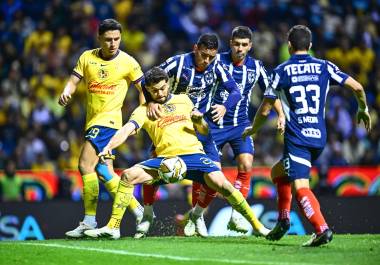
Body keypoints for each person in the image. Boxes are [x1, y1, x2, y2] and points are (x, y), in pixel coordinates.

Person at [83, 67, 270, 239]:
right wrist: (108, 146)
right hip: (165, 159)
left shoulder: (184, 99)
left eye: (163, 88)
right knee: (127, 175)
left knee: (223, 184)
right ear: (147, 90)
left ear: (168, 84)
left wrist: (199, 122)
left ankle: (258, 226)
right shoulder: (143, 111)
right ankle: (113, 227)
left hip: (194, 155)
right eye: (154, 90)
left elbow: (204, 131)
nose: (160, 93)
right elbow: (126, 130)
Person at [243, 25, 372, 247]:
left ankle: (321, 229)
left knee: (301, 187)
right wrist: (363, 108)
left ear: (289, 45)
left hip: (298, 139)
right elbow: (358, 87)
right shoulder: (324, 66)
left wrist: (253, 130)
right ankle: (283, 220)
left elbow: (264, 109)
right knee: (278, 173)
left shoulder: (282, 71)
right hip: (319, 137)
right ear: (310, 46)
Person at [137, 33, 242, 238]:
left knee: (215, 177)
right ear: (195, 48)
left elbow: (235, 91)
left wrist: (224, 106)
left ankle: (197, 214)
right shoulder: (178, 63)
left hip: (201, 128)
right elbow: (146, 79)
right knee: (153, 172)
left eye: (211, 57)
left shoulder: (217, 65)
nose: (207, 61)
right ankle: (148, 212)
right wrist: (149, 101)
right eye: (204, 55)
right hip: (172, 127)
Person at [184, 26, 285, 235]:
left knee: (246, 164)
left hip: (240, 124)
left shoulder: (256, 67)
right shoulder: (216, 61)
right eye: (236, 44)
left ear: (250, 46)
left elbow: (270, 92)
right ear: (230, 43)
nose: (240, 48)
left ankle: (237, 215)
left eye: (244, 45)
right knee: (209, 175)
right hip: (212, 126)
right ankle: (197, 216)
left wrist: (281, 115)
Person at [58, 18, 145, 238]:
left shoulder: (128, 62)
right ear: (99, 38)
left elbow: (144, 89)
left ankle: (89, 221)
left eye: (117, 39)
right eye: (108, 39)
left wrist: (144, 111)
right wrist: (67, 90)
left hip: (109, 122)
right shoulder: (87, 57)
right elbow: (73, 80)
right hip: (92, 121)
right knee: (104, 172)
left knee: (85, 165)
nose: (113, 43)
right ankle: (138, 210)